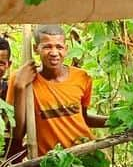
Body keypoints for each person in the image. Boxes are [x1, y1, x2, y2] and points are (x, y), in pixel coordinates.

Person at [6, 24, 108, 158]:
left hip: (85, 154)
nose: (54, 52)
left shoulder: (82, 77)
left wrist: (116, 121)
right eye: (47, 46)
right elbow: (17, 133)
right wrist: (19, 87)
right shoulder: (22, 80)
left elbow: (83, 118)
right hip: (50, 161)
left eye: (59, 47)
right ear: (36, 49)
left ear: (66, 49)